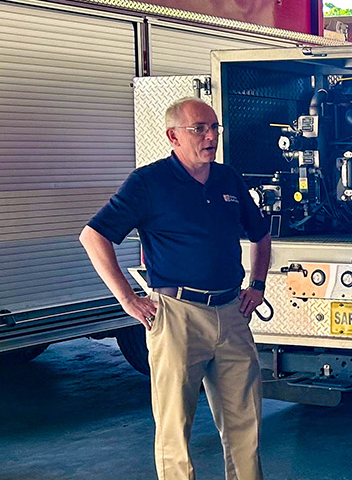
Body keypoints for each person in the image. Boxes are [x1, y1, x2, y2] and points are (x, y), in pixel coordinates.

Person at [80, 97, 271, 480]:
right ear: (173, 136)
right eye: (199, 128)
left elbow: (261, 233)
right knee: (174, 427)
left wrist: (258, 284)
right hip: (176, 315)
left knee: (245, 424)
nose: (210, 136)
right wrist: (127, 299)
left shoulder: (228, 179)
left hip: (232, 314)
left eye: (214, 128)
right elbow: (93, 235)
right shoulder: (148, 183)